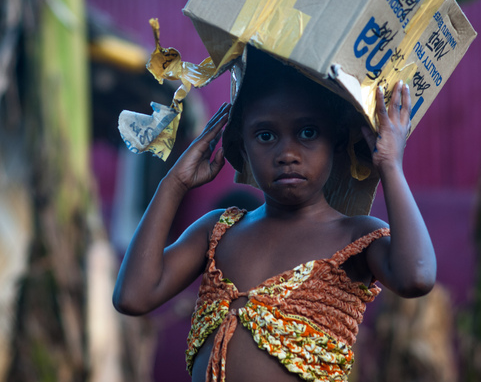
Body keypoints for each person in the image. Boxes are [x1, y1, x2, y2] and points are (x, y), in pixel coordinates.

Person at [113, 50, 436, 382]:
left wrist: (390, 165)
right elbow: (133, 296)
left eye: (308, 133)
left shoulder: (355, 237)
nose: (287, 154)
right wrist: (173, 185)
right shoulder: (219, 230)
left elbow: (417, 277)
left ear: (337, 141)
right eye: (265, 136)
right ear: (241, 146)